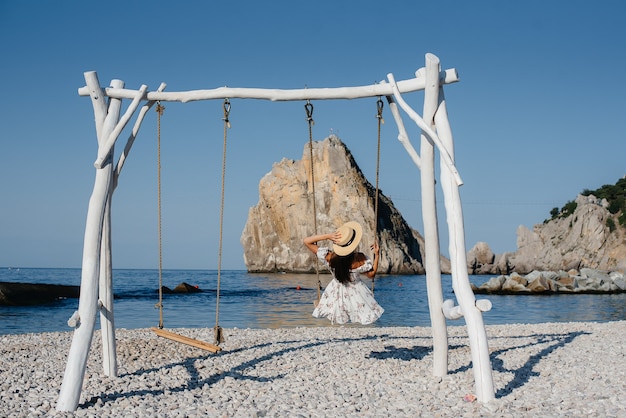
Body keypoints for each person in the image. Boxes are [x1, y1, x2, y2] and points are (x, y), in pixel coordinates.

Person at [303, 221, 384, 325]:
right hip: (356, 292)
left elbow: (306, 241)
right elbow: (371, 274)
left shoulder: (330, 258)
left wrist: (328, 236)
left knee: (338, 320)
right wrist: (377, 255)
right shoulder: (360, 259)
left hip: (336, 293)